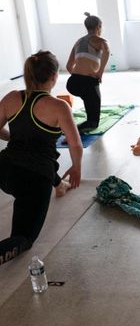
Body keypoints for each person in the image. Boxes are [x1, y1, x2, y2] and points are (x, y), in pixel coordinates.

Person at [0, 51, 83, 266]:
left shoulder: (11, 98)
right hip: (34, 179)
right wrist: (76, 167)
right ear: (54, 77)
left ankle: (59, 185)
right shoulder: (58, 106)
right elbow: (75, 144)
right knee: (24, 239)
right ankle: (58, 183)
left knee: (37, 158)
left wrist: (13, 137)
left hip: (5, 168)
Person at [66, 12, 110, 133]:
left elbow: (68, 66)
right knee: (93, 123)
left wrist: (78, 76)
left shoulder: (78, 42)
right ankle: (72, 130)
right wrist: (100, 73)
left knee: (88, 97)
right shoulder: (101, 41)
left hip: (72, 83)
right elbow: (107, 52)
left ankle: (88, 101)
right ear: (98, 27)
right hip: (88, 82)